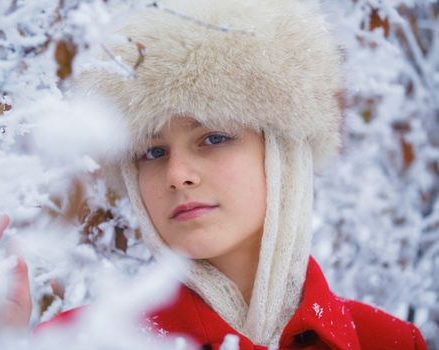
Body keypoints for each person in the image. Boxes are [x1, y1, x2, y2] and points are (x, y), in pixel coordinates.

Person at [35, 0, 427, 348]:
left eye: (213, 137)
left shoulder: (387, 341)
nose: (177, 175)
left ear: (282, 151)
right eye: (152, 152)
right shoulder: (77, 340)